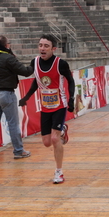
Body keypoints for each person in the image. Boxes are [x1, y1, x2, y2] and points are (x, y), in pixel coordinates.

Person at [19, 34, 75, 184]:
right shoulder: (35, 62)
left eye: (46, 46)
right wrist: (26, 98)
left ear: (53, 49)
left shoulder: (60, 64)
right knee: (46, 142)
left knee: (55, 139)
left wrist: (71, 99)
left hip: (59, 105)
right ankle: (62, 129)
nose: (42, 48)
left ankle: (59, 172)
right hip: (45, 107)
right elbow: (36, 83)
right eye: (40, 45)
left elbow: (70, 81)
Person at [0, 35, 34, 161]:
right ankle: (19, 151)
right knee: (13, 123)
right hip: (6, 94)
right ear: (6, 46)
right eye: (9, 44)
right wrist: (33, 64)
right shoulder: (8, 58)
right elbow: (25, 71)